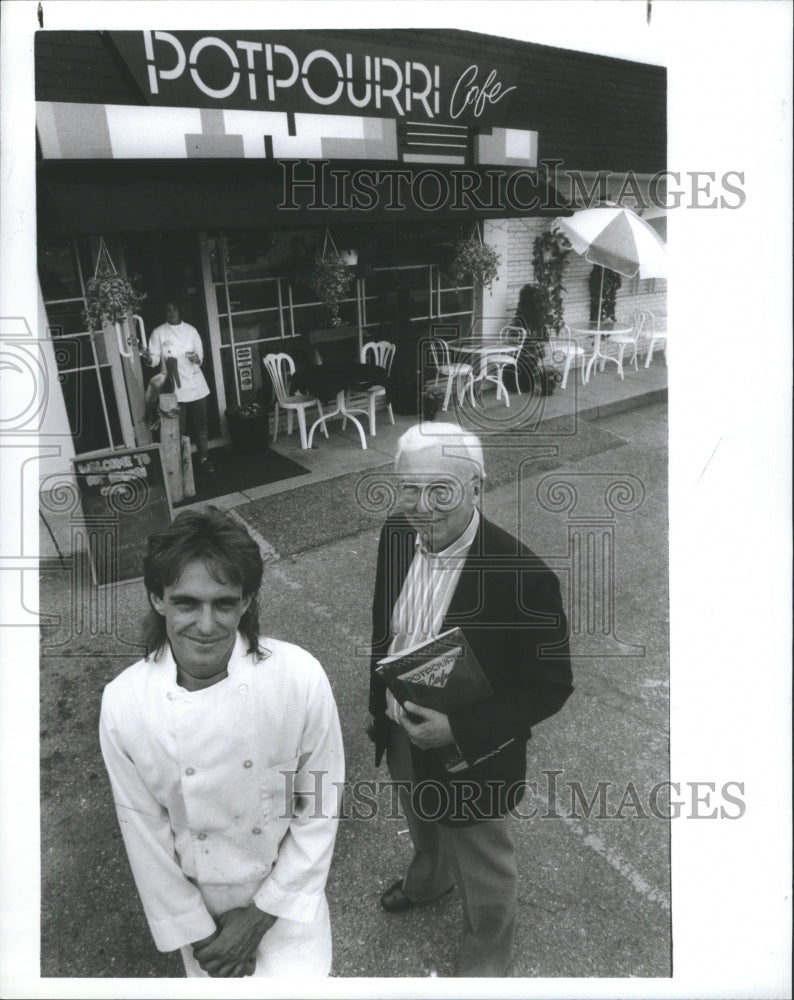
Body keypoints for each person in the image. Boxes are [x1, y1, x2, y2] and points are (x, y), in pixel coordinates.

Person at [99, 508, 344, 977]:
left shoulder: (299, 678)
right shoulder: (125, 703)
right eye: (187, 603)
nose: (206, 625)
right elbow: (144, 834)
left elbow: (319, 807)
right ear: (157, 598)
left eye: (224, 603)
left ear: (247, 600)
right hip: (200, 919)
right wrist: (202, 934)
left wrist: (261, 916)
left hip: (290, 904)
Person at [368, 423, 573, 977]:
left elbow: (551, 686)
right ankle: (429, 879)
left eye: (442, 490)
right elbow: (387, 628)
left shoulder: (523, 576)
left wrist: (457, 731)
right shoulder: (395, 533)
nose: (422, 506)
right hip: (398, 725)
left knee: (484, 869)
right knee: (420, 818)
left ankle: (485, 965)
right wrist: (382, 710)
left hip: (472, 752)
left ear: (477, 488)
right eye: (410, 489)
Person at [142, 299, 215, 474]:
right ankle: (182, 463)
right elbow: (155, 360)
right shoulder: (159, 332)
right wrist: (147, 357)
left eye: (174, 309)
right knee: (178, 429)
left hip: (196, 385)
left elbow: (200, 356)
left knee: (201, 426)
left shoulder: (191, 330)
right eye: (168, 310)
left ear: (180, 311)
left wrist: (196, 358)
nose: (172, 313)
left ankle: (204, 458)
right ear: (164, 312)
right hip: (175, 388)